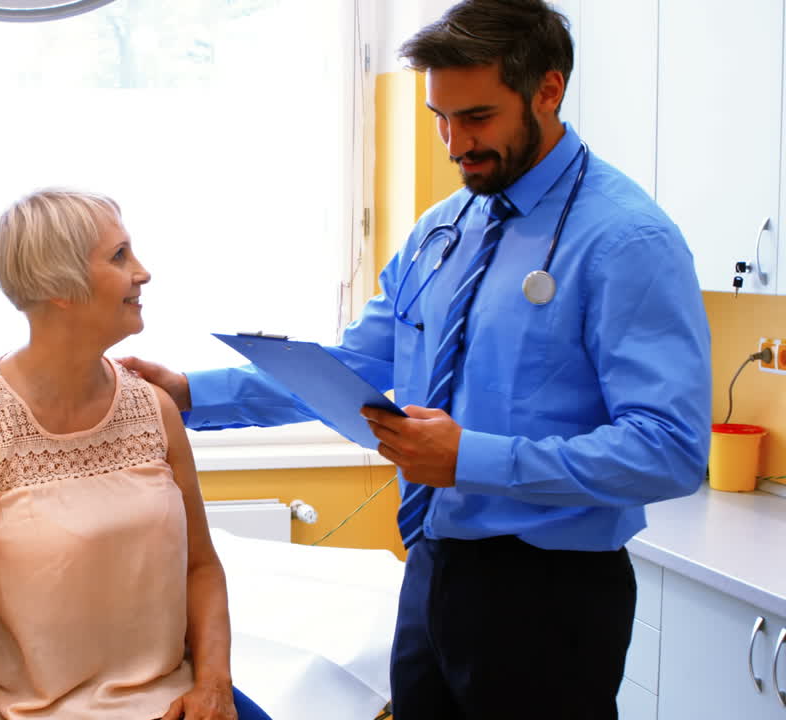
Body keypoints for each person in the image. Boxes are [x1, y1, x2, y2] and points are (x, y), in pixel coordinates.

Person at [122, 1, 712, 718]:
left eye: (478, 117)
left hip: (552, 593)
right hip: (434, 571)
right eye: (441, 116)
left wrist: (472, 458)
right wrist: (189, 393)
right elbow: (352, 372)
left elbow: (672, 451)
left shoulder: (627, 241)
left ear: (548, 91)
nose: (454, 142)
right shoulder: (444, 229)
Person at [0, 189, 272, 720]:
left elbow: (201, 566)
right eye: (119, 256)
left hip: (176, 702)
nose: (143, 272)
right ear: (59, 286)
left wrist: (214, 683)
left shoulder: (155, 408)